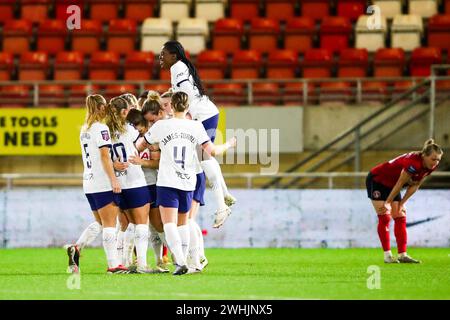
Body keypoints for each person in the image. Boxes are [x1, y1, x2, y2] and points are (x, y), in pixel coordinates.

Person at [136, 91, 236, 275]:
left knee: (169, 224)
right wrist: (229, 144)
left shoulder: (161, 126)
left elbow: (141, 145)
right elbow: (211, 152)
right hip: (188, 182)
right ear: (188, 107)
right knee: (184, 224)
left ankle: (181, 261)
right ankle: (191, 263)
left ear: (171, 106)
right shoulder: (196, 127)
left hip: (167, 182)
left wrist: (149, 147)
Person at [159, 40, 236, 228]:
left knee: (204, 159)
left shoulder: (176, 67)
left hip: (202, 115)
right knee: (206, 157)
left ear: (174, 55)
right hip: (207, 113)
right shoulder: (180, 66)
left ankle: (221, 206)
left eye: (164, 54)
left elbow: (186, 94)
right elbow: (186, 91)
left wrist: (186, 116)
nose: (161, 57)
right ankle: (224, 195)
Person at [67, 94, 128, 274]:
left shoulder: (84, 128)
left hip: (88, 181)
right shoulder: (101, 128)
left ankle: (76, 248)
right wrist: (114, 179)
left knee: (100, 222)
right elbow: (103, 156)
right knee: (109, 224)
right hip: (102, 181)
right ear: (101, 108)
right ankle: (113, 265)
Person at [366, 139, 443, 263]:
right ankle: (388, 256)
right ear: (424, 155)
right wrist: (387, 202)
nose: (436, 162)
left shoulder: (430, 166)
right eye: (433, 159)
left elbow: (416, 184)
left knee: (400, 215)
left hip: (393, 185)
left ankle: (402, 255)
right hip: (378, 180)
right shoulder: (413, 163)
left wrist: (402, 203)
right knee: (385, 216)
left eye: (438, 160)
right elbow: (401, 183)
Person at [105, 96, 153, 273]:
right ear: (125, 112)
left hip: (117, 183)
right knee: (141, 223)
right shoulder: (129, 130)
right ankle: (141, 263)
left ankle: (120, 262)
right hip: (135, 180)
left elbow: (101, 157)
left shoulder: (105, 132)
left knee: (124, 225)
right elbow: (141, 137)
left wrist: (112, 165)